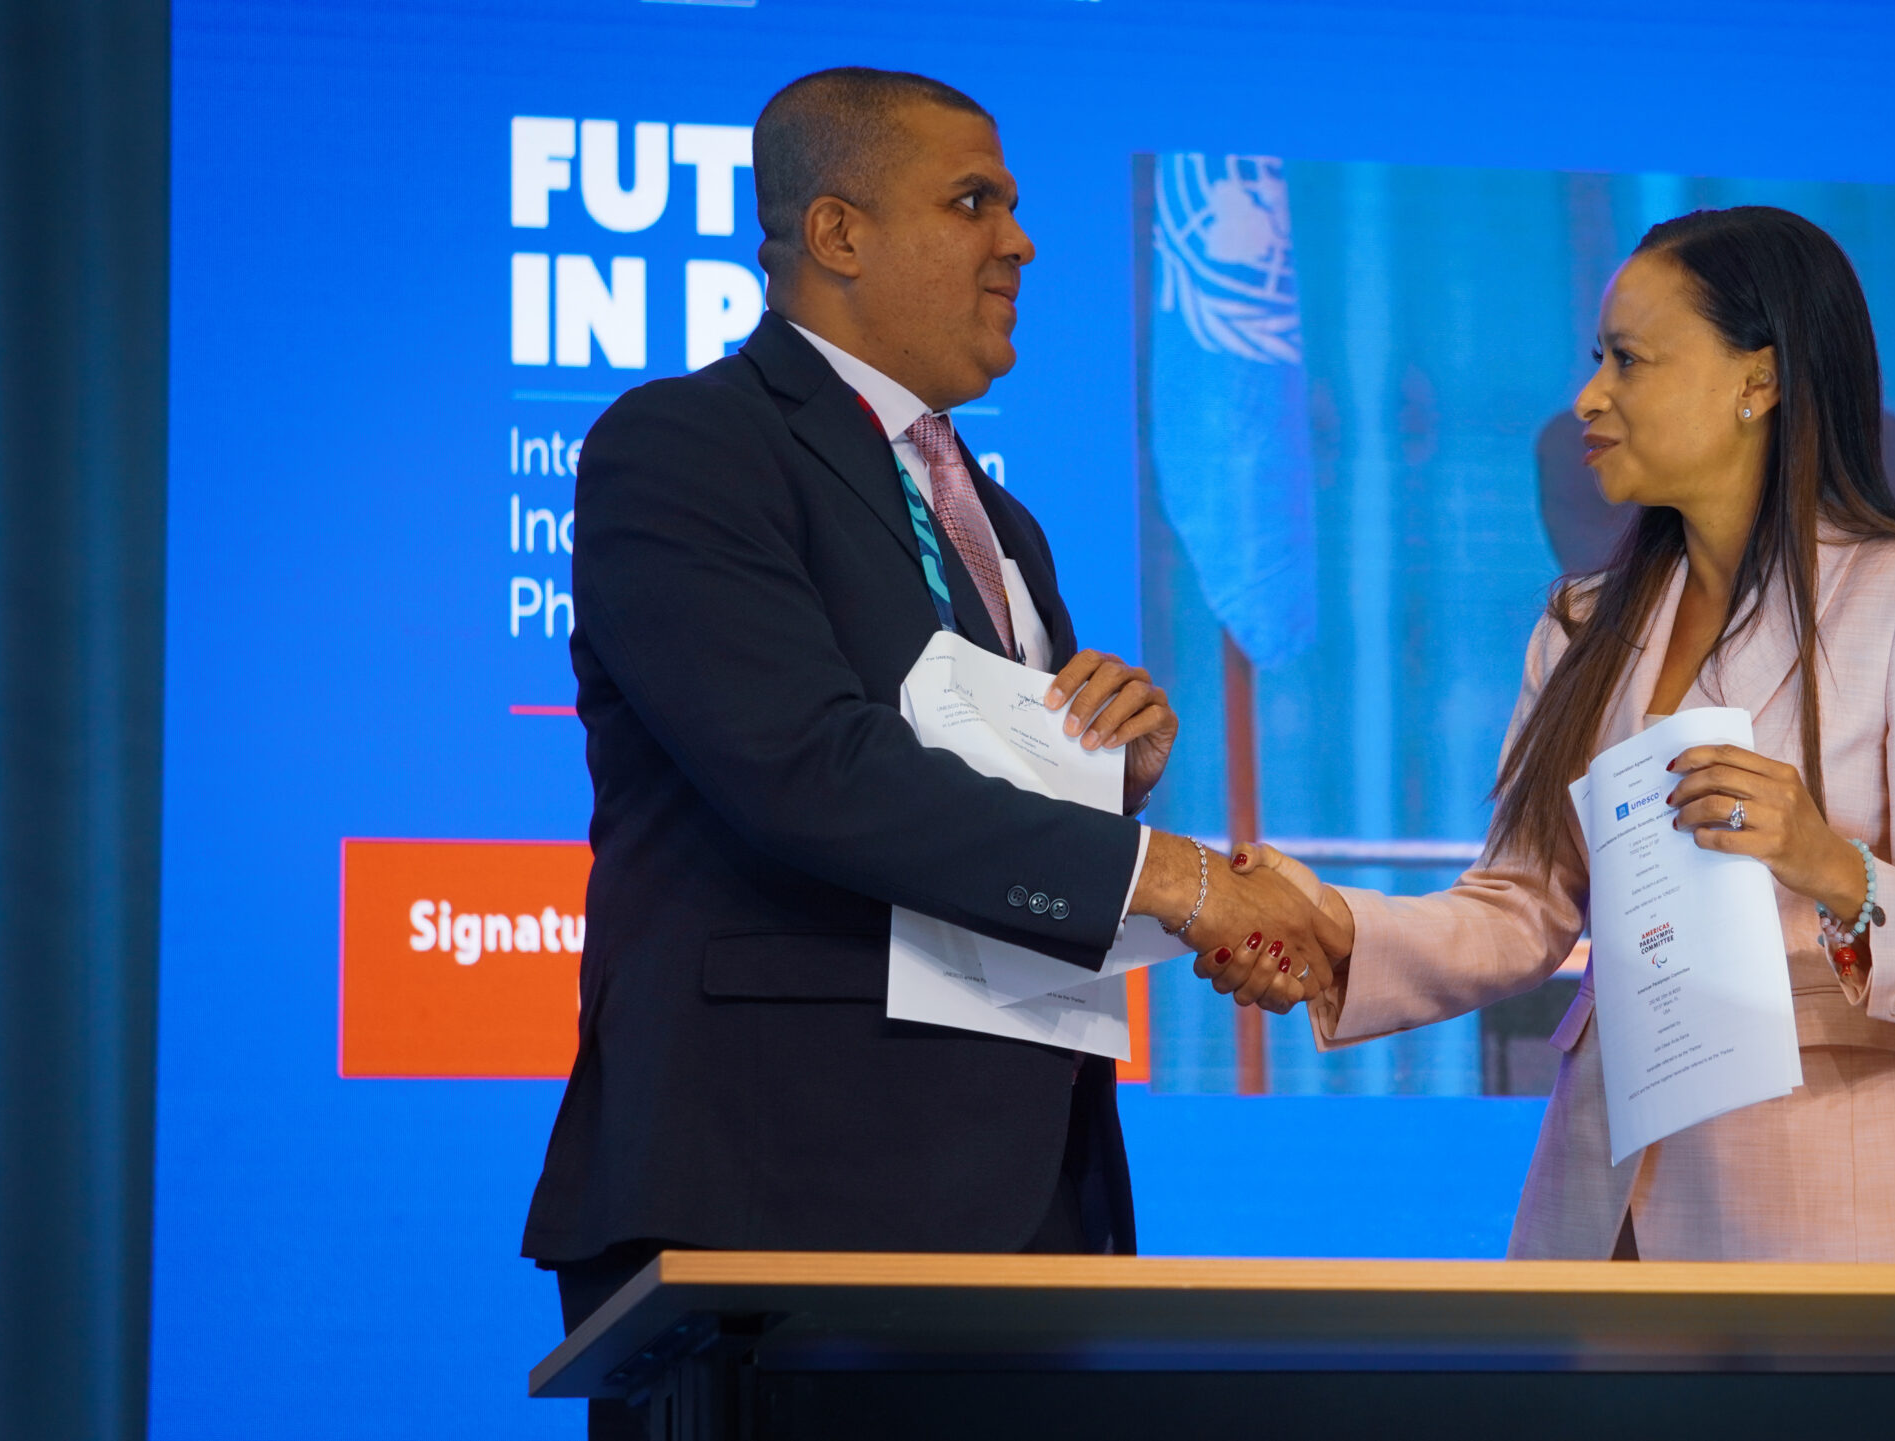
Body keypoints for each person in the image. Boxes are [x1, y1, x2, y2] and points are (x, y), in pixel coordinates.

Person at [522, 67, 1321, 1437]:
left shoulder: (1003, 525)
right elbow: (809, 772)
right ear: (838, 233)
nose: (1019, 241)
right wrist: (1177, 879)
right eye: (972, 204)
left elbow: (970, 806)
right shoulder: (685, 446)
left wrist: (1109, 774)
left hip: (1024, 1200)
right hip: (776, 1198)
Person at [1235, 206, 1895, 1263]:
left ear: (1759, 379)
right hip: (1600, 1196)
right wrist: (1334, 925)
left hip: (1828, 1213)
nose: (1589, 396)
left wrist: (1829, 864)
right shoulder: (1580, 622)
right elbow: (1518, 909)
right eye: (1596, 359)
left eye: (1630, 360)